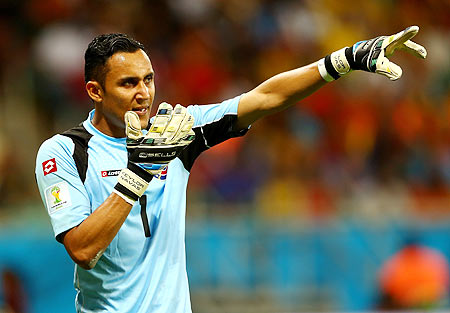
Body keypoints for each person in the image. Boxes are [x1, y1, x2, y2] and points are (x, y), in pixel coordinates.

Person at [35, 26, 426, 312]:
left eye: (149, 79)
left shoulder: (175, 132)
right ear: (95, 91)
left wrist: (342, 61)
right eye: (128, 83)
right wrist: (136, 176)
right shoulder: (65, 152)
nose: (144, 93)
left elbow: (265, 97)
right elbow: (83, 249)